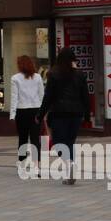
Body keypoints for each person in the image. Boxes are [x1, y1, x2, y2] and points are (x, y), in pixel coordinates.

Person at [42, 48, 90, 185]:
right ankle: (69, 172)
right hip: (76, 114)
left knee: (58, 143)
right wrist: (87, 114)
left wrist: (40, 114)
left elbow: (48, 97)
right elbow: (85, 96)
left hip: (59, 113)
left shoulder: (54, 74)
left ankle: (69, 165)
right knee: (70, 142)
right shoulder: (80, 75)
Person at [9, 55, 45, 168]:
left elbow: (14, 97)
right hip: (36, 110)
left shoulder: (15, 78)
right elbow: (42, 95)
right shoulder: (38, 77)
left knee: (23, 137)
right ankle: (37, 164)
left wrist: (12, 114)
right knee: (35, 138)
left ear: (19, 65)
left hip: (22, 111)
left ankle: (22, 162)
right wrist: (43, 112)